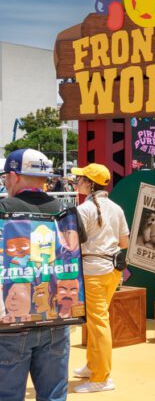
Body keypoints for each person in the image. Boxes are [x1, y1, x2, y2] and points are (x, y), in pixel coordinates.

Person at [0, 148, 71, 401]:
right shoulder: (65, 211)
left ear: (14, 175)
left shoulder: (3, 207)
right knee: (54, 395)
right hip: (56, 316)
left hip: (11, 318)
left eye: (5, 178)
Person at [71, 163, 129, 394]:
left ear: (89, 183)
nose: (77, 182)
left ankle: (101, 377)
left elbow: (72, 242)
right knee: (98, 320)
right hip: (113, 269)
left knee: (98, 323)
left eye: (81, 179)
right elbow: (124, 243)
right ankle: (94, 365)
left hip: (93, 269)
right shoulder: (116, 208)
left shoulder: (84, 209)